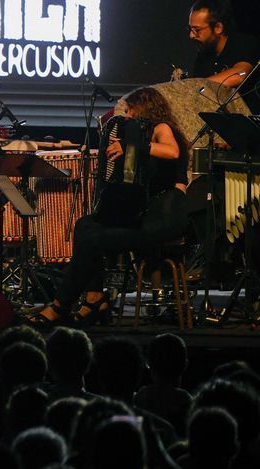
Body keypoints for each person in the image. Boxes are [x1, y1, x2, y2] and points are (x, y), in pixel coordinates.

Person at [31, 86, 190, 325]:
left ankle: (61, 305)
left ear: (144, 108)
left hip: (165, 218)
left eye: (130, 110)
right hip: (149, 214)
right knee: (85, 225)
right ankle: (95, 298)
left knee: (93, 238)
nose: (127, 116)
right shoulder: (145, 134)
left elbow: (172, 151)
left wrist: (131, 147)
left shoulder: (162, 128)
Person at [184, 0, 258, 107]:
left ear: (218, 28)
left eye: (197, 30)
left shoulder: (242, 43)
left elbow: (240, 74)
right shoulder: (204, 55)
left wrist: (197, 86)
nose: (191, 35)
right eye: (190, 29)